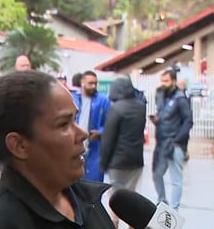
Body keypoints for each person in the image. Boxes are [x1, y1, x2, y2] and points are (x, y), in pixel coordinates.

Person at [0, 71, 115, 228]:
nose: (83, 134)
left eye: (75, 119)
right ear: (19, 145)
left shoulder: (86, 200)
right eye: (63, 124)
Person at [100, 76, 146, 228]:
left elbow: (108, 138)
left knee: (115, 198)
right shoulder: (141, 106)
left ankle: (113, 225)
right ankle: (132, 225)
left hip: (118, 162)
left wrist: (103, 162)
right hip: (137, 160)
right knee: (132, 195)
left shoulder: (116, 108)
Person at [151, 69, 193, 211]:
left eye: (166, 81)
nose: (163, 84)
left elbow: (188, 120)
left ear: (174, 81)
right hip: (162, 142)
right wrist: (157, 120)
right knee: (157, 174)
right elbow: (163, 115)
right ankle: (162, 202)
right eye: (162, 81)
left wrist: (178, 139)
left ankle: (174, 210)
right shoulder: (163, 97)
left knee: (176, 179)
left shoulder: (180, 99)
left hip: (174, 144)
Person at [72, 70, 110, 182]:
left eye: (95, 83)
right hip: (74, 148)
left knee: (93, 183)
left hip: (94, 149)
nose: (93, 86)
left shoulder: (103, 100)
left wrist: (100, 132)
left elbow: (109, 123)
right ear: (82, 83)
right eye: (90, 83)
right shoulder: (73, 99)